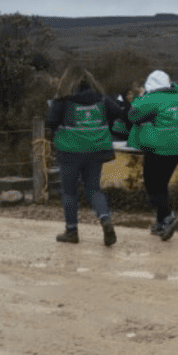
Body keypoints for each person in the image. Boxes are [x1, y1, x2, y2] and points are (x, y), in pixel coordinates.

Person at [47, 67, 127, 246]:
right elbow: (118, 113)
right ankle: (105, 219)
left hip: (70, 151)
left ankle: (71, 231)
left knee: (69, 191)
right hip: (96, 149)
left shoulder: (62, 100)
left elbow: (51, 122)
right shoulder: (101, 98)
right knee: (93, 189)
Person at [127, 70, 178, 241]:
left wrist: (140, 96)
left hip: (156, 147)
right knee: (162, 185)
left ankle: (168, 218)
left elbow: (133, 115)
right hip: (177, 146)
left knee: (153, 186)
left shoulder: (150, 100)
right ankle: (161, 223)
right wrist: (173, 87)